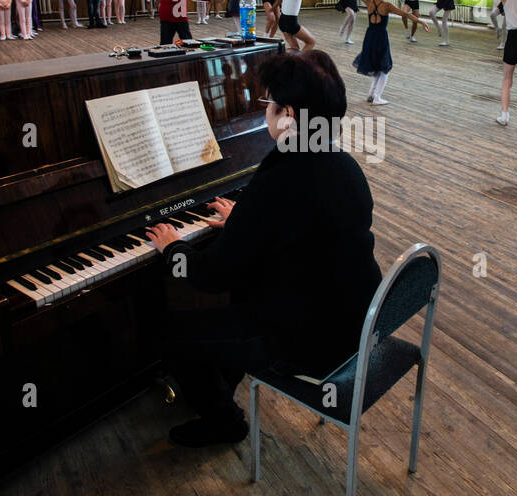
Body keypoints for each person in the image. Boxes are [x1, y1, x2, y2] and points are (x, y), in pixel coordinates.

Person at [143, 51, 382, 447]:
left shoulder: (281, 177)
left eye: (267, 103)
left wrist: (172, 248)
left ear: (287, 113)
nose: (265, 111)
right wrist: (248, 219)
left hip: (312, 341)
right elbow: (301, 224)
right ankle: (219, 378)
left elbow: (210, 275)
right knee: (237, 299)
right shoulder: (341, 163)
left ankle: (224, 420)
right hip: (354, 323)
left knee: (171, 333)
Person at [353, 0, 427, 105]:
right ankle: (377, 97)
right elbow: (405, 14)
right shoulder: (386, 6)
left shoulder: (369, 3)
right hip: (381, 38)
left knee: (377, 67)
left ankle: (371, 94)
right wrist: (420, 21)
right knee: (384, 68)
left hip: (369, 37)